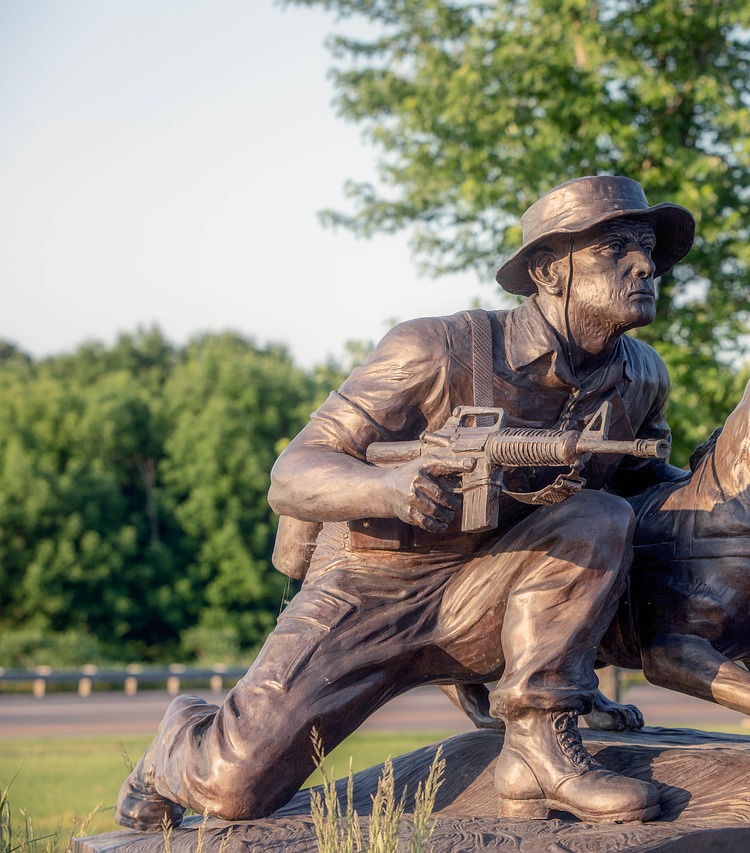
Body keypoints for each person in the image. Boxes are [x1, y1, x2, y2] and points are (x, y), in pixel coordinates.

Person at [115, 176, 695, 829]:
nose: (646, 264)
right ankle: (176, 738)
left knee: (600, 517)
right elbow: (292, 470)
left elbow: (638, 490)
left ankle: (538, 749)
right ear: (548, 269)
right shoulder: (434, 349)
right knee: (232, 787)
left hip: (487, 595)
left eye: (647, 248)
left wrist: (723, 487)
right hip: (368, 592)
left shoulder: (642, 375)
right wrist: (386, 487)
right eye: (615, 247)